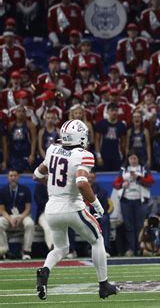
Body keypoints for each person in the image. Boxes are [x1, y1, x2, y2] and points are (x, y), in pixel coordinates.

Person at [32, 119, 118, 300]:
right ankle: (104, 285)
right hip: (72, 207)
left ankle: (45, 271)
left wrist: (56, 185)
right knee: (97, 240)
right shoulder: (82, 155)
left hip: (52, 209)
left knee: (61, 248)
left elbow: (37, 174)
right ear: (79, 136)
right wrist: (96, 204)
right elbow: (81, 182)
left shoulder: (52, 149)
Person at [113, 153, 154, 257]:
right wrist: (122, 184)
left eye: (135, 158)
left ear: (138, 159)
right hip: (126, 200)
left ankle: (141, 248)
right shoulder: (123, 169)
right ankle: (131, 248)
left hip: (141, 201)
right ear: (128, 159)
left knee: (140, 225)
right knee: (129, 226)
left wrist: (139, 178)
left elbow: (151, 182)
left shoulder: (144, 169)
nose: (133, 160)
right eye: (131, 158)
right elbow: (115, 184)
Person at [0, 169, 35, 260]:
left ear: (18, 177)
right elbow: (2, 210)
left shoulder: (25, 189)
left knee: (30, 224)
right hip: (8, 216)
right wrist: (10, 219)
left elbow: (28, 208)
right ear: (8, 177)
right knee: (0, 223)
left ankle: (26, 251)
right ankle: (4, 251)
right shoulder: (3, 191)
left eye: (15, 176)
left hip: (23, 215)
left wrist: (21, 218)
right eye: (11, 176)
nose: (13, 178)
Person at [94, 103, 127, 172]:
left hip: (117, 156)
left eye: (116, 110)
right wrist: (98, 156)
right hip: (103, 155)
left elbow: (123, 143)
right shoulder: (101, 124)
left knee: (116, 175)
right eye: (112, 110)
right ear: (108, 112)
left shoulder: (122, 126)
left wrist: (123, 156)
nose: (114, 112)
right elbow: (97, 141)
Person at [88, 169, 111, 257]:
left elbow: (105, 208)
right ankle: (71, 250)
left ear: (95, 178)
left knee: (105, 218)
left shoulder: (101, 191)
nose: (90, 179)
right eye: (88, 177)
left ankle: (104, 249)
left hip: (95, 215)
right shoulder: (78, 188)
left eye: (92, 178)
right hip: (80, 214)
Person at [34, 183, 54, 251]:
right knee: (47, 226)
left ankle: (68, 249)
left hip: (56, 213)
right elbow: (39, 201)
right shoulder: (39, 186)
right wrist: (52, 203)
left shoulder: (56, 186)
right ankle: (52, 247)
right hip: (43, 213)